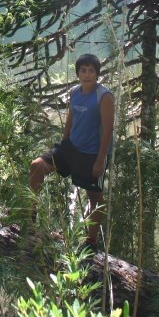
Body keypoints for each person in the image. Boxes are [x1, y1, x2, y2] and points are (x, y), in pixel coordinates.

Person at [29, 53, 115, 249]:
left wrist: (101, 160)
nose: (87, 75)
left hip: (92, 154)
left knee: (94, 196)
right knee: (37, 166)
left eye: (91, 71)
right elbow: (71, 116)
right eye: (83, 71)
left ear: (97, 73)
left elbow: (108, 129)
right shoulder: (75, 92)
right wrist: (64, 142)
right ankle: (30, 217)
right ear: (78, 74)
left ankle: (91, 241)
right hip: (71, 148)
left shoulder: (104, 96)